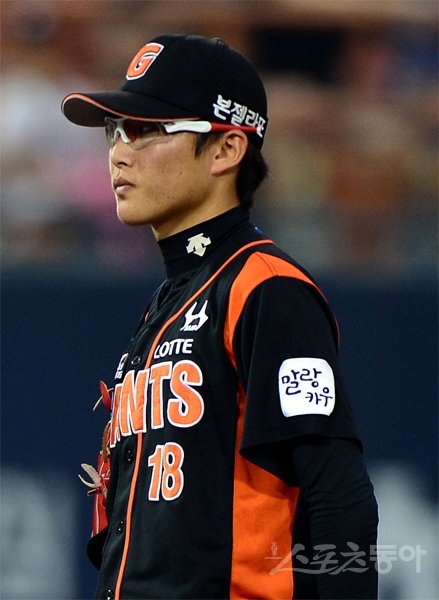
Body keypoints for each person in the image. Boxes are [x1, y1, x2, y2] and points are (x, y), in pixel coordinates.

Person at [62, 33, 379, 600]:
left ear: (226, 149)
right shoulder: (170, 302)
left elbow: (337, 492)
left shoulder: (266, 287)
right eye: (115, 130)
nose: (119, 152)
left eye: (147, 130)